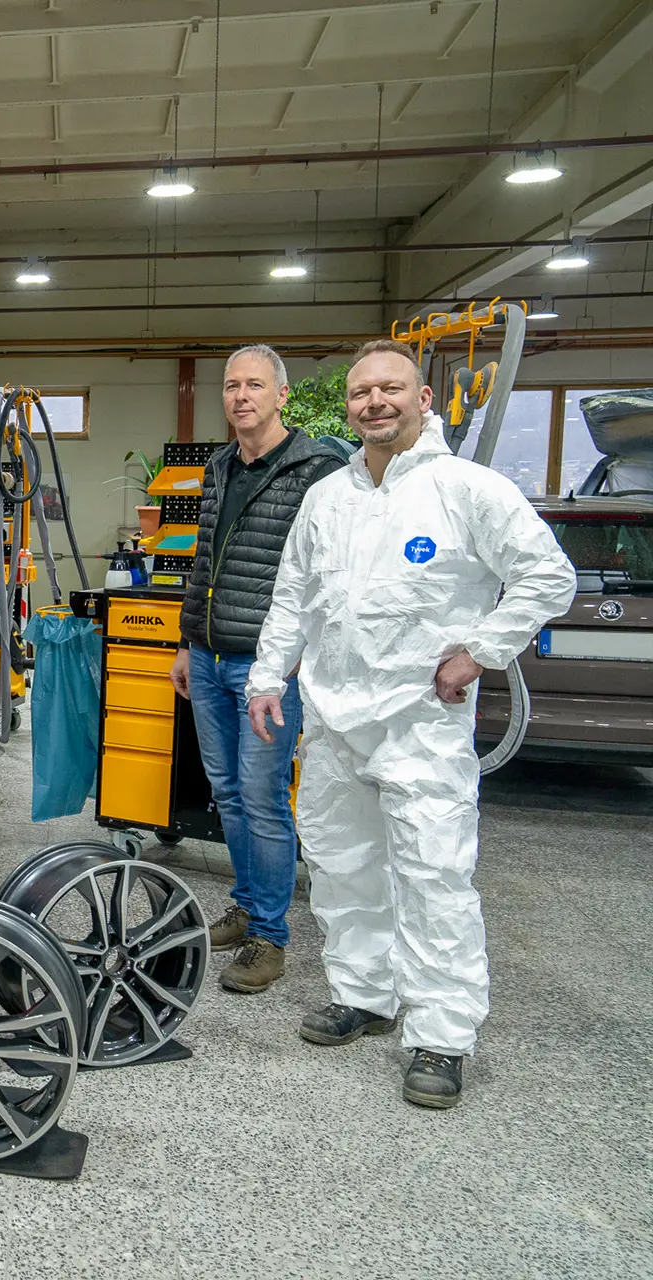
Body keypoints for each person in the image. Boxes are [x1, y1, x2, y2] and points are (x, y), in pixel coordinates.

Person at [247, 339, 575, 1110]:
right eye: (362, 393)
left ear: (423, 399)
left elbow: (546, 575)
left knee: (432, 875)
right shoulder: (329, 495)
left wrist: (482, 651)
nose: (374, 403)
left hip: (420, 722)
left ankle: (440, 1034)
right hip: (333, 718)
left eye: (390, 389)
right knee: (341, 863)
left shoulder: (467, 490)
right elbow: (293, 594)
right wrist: (269, 676)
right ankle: (363, 994)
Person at [171, 346, 346, 995]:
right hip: (212, 658)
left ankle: (270, 937)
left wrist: (300, 653)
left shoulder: (317, 466)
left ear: (281, 395)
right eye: (231, 385)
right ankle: (246, 906)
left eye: (254, 385)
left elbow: (331, 569)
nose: (241, 395)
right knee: (228, 792)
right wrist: (188, 643)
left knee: (265, 799)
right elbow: (202, 562)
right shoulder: (219, 466)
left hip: (267, 667)